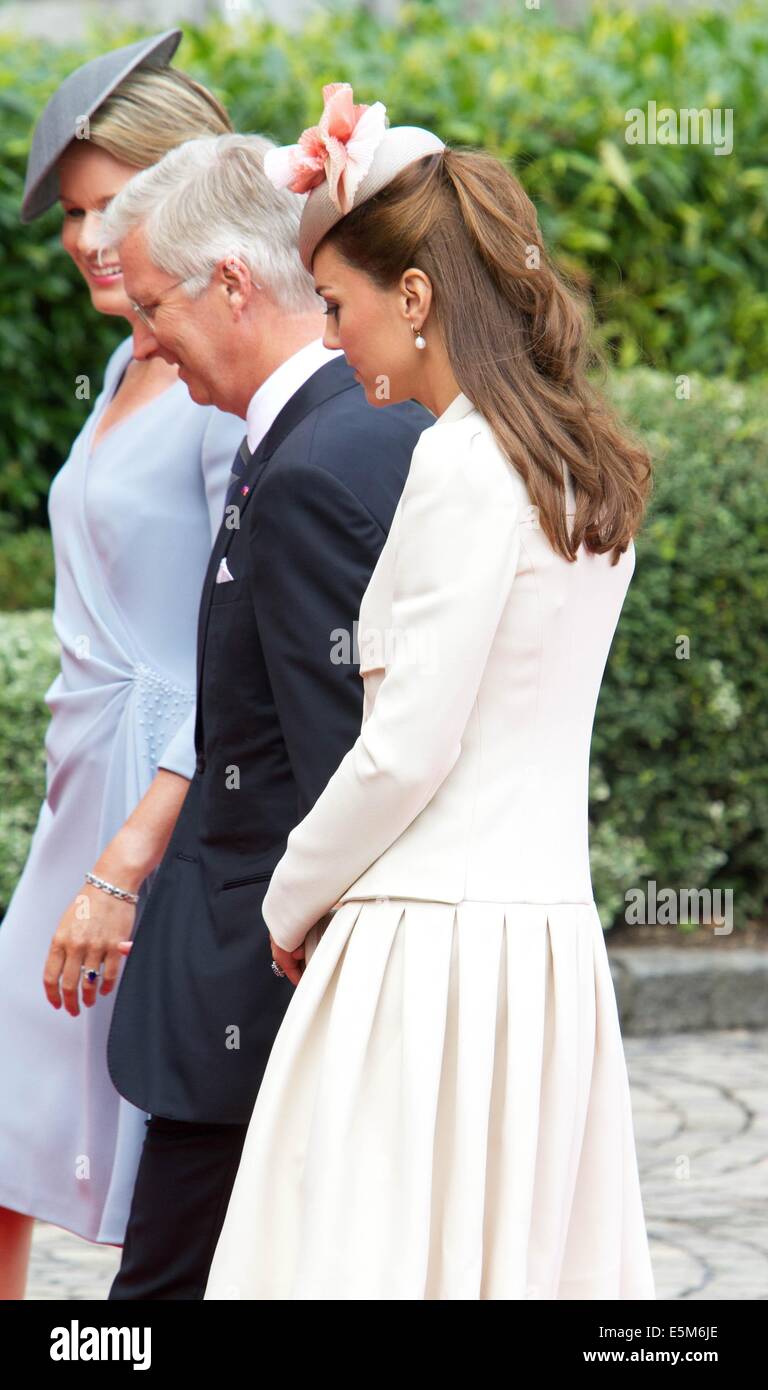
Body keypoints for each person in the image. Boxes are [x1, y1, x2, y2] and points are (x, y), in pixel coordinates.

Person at [202, 82, 657, 1301]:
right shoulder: (579, 471)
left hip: (437, 948)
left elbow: (406, 749)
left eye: (340, 305)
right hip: (548, 944)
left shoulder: (464, 464)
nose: (334, 337)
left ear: (415, 296)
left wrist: (287, 903)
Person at [93, 131, 432, 1299]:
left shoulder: (317, 464)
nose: (143, 343)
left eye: (150, 308)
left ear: (232, 283)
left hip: (257, 994)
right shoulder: (348, 427)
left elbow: (354, 766)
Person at [0, 30, 244, 1299]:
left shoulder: (216, 381)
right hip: (77, 786)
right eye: (78, 214)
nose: (93, 240)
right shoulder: (118, 365)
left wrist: (133, 850)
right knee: (10, 1119)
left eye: (115, 208)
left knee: (164, 1153)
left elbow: (232, 636)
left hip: (161, 798)